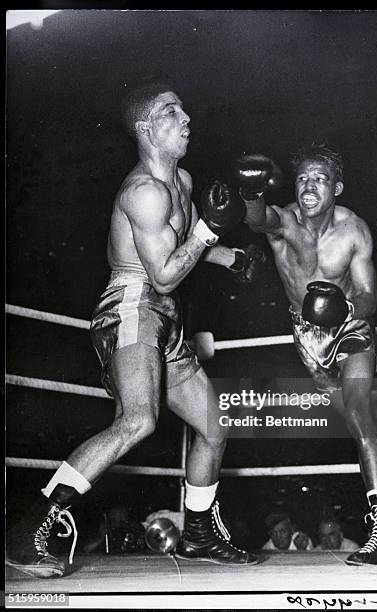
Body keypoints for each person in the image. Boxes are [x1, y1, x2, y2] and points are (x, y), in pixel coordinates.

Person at [6, 82, 260, 578]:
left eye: (185, 109)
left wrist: (227, 256)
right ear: (146, 129)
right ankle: (29, 526)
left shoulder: (181, 182)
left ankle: (198, 535)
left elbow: (182, 242)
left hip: (166, 316)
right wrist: (210, 231)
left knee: (213, 425)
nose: (186, 118)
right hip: (130, 307)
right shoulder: (142, 192)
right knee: (138, 420)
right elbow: (163, 271)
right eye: (171, 112)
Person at [236, 144, 377, 566]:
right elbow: (259, 219)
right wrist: (251, 193)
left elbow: (369, 296)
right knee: (367, 420)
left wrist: (346, 308)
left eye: (320, 178)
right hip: (307, 337)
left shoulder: (354, 230)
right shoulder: (287, 221)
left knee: (358, 411)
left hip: (351, 328)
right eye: (302, 178)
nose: (309, 185)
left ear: (337, 187)